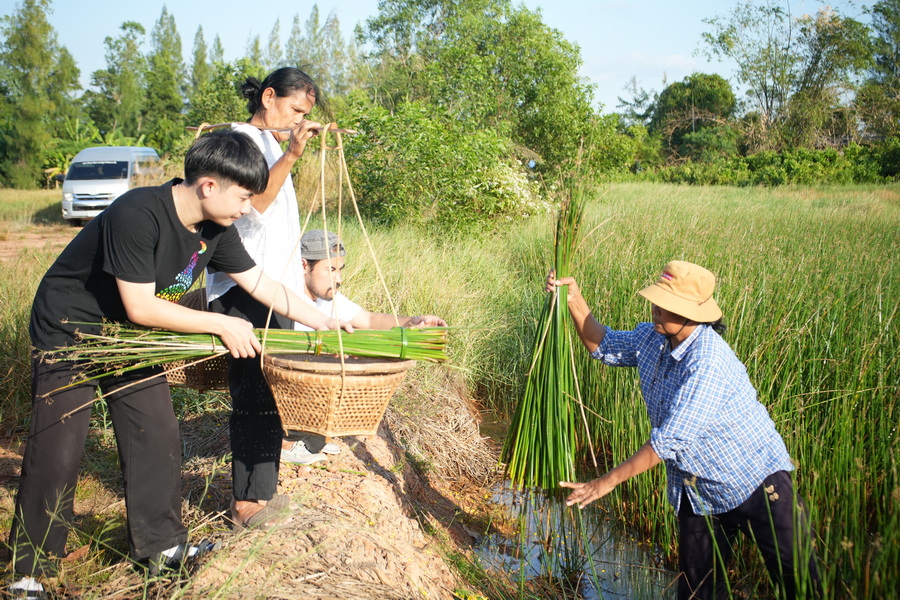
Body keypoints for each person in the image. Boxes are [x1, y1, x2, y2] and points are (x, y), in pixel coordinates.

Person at [8, 130, 351, 595]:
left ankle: (162, 548)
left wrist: (322, 320)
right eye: (244, 197)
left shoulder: (215, 230)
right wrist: (221, 325)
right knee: (60, 443)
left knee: (157, 430)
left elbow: (261, 285)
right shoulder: (137, 215)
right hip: (71, 327)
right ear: (209, 186)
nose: (248, 208)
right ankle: (32, 570)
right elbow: (142, 307)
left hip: (129, 339)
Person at [550, 260, 822, 600]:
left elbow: (669, 441)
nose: (657, 310)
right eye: (657, 301)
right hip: (697, 488)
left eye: (667, 306)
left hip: (755, 481)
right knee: (697, 592)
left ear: (694, 315)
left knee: (800, 581)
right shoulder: (653, 338)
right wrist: (573, 299)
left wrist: (603, 483)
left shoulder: (708, 361)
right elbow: (603, 345)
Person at [204, 67, 333, 522]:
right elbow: (256, 205)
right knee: (255, 393)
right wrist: (295, 152)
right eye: (295, 109)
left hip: (270, 287)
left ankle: (260, 493)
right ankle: (246, 503)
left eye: (305, 114)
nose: (298, 118)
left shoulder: (272, 145)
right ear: (269, 96)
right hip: (243, 287)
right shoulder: (239, 141)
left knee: (268, 391)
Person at [279, 229, 447, 464]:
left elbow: (369, 319)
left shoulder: (328, 297)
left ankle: (311, 438)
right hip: (289, 391)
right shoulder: (285, 299)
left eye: (339, 270)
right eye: (330, 270)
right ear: (304, 266)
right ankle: (285, 444)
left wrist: (413, 322)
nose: (338, 279)